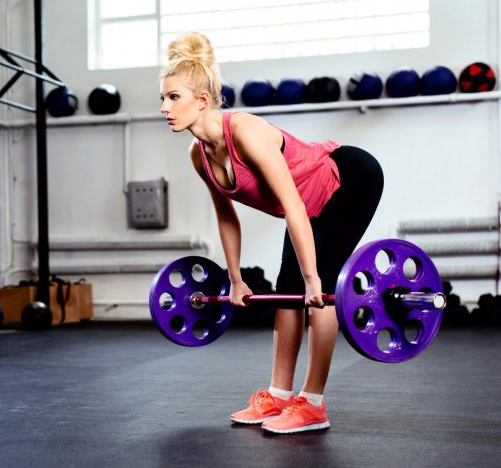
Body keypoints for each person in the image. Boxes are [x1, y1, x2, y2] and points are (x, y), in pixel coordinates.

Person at [159, 32, 383, 434]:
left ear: (203, 101)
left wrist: (315, 279)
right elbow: (227, 216)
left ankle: (312, 403)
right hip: (307, 203)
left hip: (348, 179)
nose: (164, 108)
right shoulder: (199, 156)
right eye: (164, 98)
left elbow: (293, 205)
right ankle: (279, 395)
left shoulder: (245, 131)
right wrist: (235, 279)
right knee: (287, 286)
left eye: (173, 97)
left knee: (319, 289)